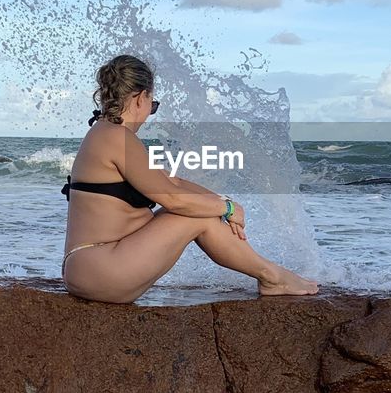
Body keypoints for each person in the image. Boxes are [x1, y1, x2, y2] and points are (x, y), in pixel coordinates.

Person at [60, 54, 320, 303]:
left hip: (93, 268)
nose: (151, 112)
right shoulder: (118, 137)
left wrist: (224, 201)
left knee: (200, 208)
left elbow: (172, 183)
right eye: (153, 104)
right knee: (194, 215)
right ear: (141, 98)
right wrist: (226, 208)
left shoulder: (108, 134)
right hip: (102, 270)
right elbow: (174, 199)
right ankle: (272, 277)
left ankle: (272, 275)